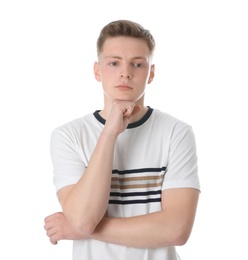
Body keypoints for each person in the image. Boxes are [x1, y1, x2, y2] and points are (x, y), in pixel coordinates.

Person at [44, 19, 200, 260]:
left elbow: (176, 230)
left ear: (151, 74)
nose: (125, 72)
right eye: (114, 63)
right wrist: (109, 133)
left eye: (137, 64)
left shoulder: (176, 132)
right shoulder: (68, 136)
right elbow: (84, 218)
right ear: (97, 70)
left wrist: (81, 230)